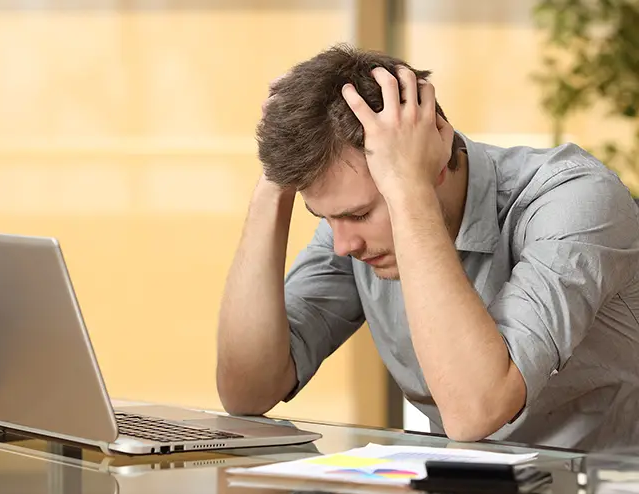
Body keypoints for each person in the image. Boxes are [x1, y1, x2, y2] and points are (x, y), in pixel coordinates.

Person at [216, 44, 639, 451]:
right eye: (325, 218)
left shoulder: (574, 200)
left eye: (360, 215)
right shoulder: (353, 226)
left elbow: (476, 410)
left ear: (432, 164)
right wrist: (274, 185)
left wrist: (409, 192)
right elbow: (247, 393)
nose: (344, 245)